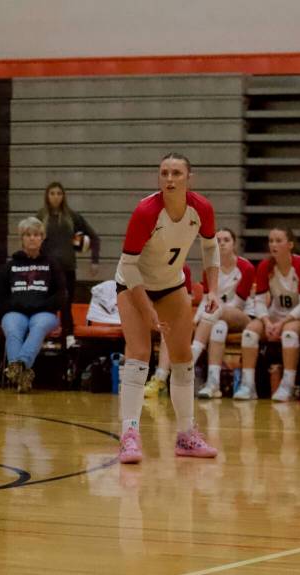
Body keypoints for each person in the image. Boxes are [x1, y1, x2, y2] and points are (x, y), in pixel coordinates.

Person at [114, 153, 220, 463]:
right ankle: (129, 435)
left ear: (189, 178)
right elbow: (129, 265)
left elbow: (211, 246)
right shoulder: (146, 212)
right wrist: (146, 309)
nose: (169, 179)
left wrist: (213, 288)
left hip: (172, 284)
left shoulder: (201, 209)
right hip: (134, 283)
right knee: (138, 355)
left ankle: (186, 436)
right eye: (164, 173)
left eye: (176, 173)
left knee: (183, 357)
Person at [233, 227, 300, 401]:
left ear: (290, 244)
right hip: (275, 317)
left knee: (290, 332)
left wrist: (282, 323)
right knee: (249, 332)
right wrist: (267, 321)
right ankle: (248, 385)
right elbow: (260, 302)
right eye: (271, 241)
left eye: (278, 241)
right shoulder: (265, 266)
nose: (273, 245)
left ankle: (287, 385)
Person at [0, 217, 67, 392]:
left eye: (36, 234)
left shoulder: (52, 264)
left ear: (42, 238)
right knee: (12, 329)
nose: (32, 238)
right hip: (16, 311)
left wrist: (42, 305)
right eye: (28, 235)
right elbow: (0, 294)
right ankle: (22, 374)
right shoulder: (10, 266)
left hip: (44, 312)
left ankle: (18, 365)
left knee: (39, 326)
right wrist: (15, 305)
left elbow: (61, 293)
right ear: (22, 238)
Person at [192, 229, 256, 398]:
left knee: (217, 310)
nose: (222, 243)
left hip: (243, 316)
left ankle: (191, 358)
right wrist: (195, 319)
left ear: (234, 244)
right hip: (216, 317)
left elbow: (238, 303)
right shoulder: (209, 268)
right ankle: (213, 384)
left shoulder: (246, 267)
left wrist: (207, 314)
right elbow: (206, 299)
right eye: (218, 240)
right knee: (218, 328)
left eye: (226, 240)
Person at [37, 182, 99, 344]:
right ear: (47, 196)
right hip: (46, 269)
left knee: (65, 303)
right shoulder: (40, 217)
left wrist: (94, 261)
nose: (56, 197)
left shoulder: (72, 217)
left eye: (59, 193)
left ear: (63, 196)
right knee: (47, 304)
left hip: (67, 268)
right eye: (52, 193)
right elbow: (31, 240)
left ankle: (69, 336)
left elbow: (94, 237)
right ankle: (48, 336)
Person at [143, 264, 194, 398]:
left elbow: (185, 302)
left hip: (169, 316)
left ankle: (160, 380)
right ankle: (132, 379)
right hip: (149, 314)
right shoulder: (145, 264)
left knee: (167, 329)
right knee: (137, 328)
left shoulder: (183, 268)